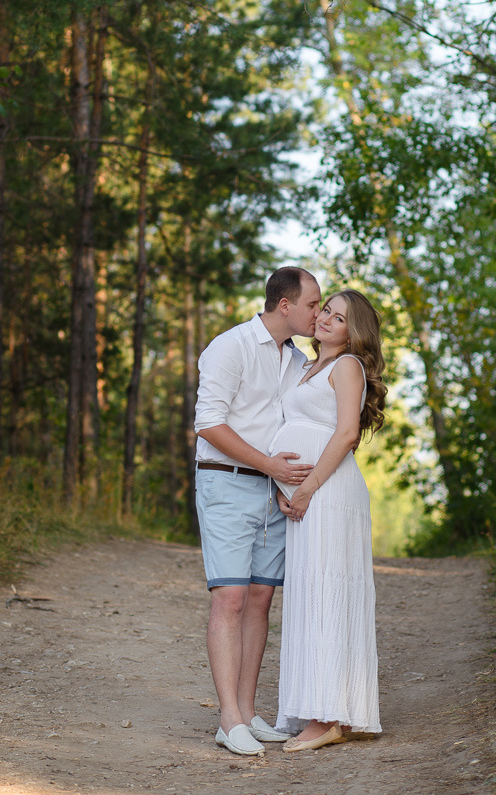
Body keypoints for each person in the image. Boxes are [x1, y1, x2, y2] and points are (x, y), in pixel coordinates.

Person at [193, 265, 322, 758]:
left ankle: (247, 713)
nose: (318, 313)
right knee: (229, 598)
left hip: (275, 493)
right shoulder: (231, 347)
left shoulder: (296, 361)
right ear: (284, 305)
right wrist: (268, 464)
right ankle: (228, 720)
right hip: (226, 484)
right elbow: (209, 424)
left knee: (261, 602)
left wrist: (291, 482)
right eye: (312, 305)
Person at [269, 288, 387, 751]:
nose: (325, 321)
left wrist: (307, 488)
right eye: (325, 312)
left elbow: (347, 433)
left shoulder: (347, 367)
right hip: (307, 495)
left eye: (338, 319)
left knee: (328, 591)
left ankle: (328, 717)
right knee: (309, 593)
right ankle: (321, 708)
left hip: (329, 493)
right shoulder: (306, 367)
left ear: (352, 332)